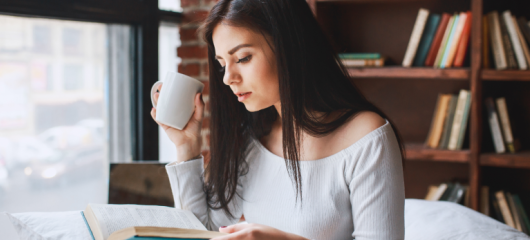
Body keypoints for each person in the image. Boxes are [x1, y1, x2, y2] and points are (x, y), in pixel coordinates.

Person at [151, 0, 405, 239]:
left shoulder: (367, 137)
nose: (228, 77)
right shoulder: (249, 139)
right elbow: (201, 233)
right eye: (222, 64)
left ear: (290, 47)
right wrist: (185, 147)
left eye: (243, 58)